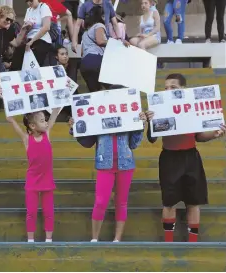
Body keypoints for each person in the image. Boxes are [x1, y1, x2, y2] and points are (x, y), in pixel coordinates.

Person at [145, 73, 226, 242]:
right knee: (169, 201)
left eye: (173, 88)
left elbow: (199, 136)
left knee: (193, 201)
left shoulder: (193, 108)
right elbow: (152, 138)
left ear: (183, 90)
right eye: (166, 88)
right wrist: (151, 121)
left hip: (191, 157)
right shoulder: (159, 109)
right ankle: (168, 241)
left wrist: (214, 134)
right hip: (169, 157)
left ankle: (193, 242)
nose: (168, 91)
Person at [69, 87, 147, 242]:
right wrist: (75, 128)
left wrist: (141, 125)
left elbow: (134, 144)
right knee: (100, 201)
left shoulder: (129, 115)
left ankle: (117, 240)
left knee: (121, 202)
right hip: (105, 164)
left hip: (126, 164)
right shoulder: (98, 116)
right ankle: (94, 239)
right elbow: (87, 141)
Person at [0, 88, 61, 243]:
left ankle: (48, 239)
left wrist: (63, 90)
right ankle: (30, 240)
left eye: (45, 120)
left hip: (47, 180)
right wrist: (3, 97)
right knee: (31, 211)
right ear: (32, 126)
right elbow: (10, 119)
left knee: (48, 212)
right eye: (41, 121)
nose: (45, 122)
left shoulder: (48, 134)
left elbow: (55, 111)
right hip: (32, 181)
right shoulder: (26, 139)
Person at [80, 6, 129, 93]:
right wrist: (118, 43)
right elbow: (100, 41)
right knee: (116, 88)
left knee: (95, 93)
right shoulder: (99, 25)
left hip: (84, 65)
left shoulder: (85, 32)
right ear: (101, 16)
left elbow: (82, 52)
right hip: (96, 60)